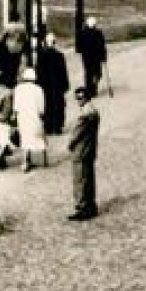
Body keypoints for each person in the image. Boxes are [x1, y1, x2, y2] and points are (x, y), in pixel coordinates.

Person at [67, 86, 101, 220]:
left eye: (80, 98)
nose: (78, 101)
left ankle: (82, 207)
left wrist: (70, 144)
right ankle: (91, 205)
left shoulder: (84, 114)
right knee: (89, 179)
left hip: (81, 151)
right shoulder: (94, 110)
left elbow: (76, 134)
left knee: (80, 180)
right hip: (90, 150)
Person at [13, 67, 47, 171]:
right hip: (35, 117)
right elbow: (42, 108)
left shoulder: (18, 89)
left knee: (25, 140)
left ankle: (25, 162)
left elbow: (16, 107)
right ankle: (44, 159)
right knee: (39, 138)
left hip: (23, 117)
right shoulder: (38, 89)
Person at [38, 32, 70, 135]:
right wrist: (65, 85)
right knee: (58, 105)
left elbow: (39, 72)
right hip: (57, 85)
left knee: (47, 105)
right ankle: (57, 126)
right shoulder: (59, 56)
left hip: (46, 86)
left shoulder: (41, 56)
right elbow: (63, 72)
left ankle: (48, 126)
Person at [76, 16, 108, 96]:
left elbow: (78, 47)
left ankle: (90, 89)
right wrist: (104, 57)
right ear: (94, 25)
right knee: (97, 73)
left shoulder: (81, 33)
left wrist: (82, 52)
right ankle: (93, 88)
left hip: (86, 57)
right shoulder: (98, 33)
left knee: (89, 73)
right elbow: (102, 46)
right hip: (96, 57)